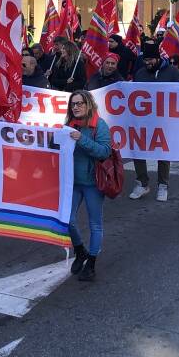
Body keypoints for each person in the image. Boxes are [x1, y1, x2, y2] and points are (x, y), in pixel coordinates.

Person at [129, 43, 179, 201]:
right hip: (143, 120)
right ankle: (142, 183)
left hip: (164, 121)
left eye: (150, 60)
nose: (147, 63)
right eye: (145, 60)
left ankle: (163, 185)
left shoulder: (172, 71)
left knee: (163, 152)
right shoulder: (140, 73)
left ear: (157, 58)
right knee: (138, 150)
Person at [65, 89, 112, 282]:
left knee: (95, 224)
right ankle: (80, 250)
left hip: (93, 183)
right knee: (67, 220)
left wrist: (81, 139)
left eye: (79, 104)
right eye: (73, 104)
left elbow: (104, 152)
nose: (75, 107)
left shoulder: (99, 125)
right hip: (74, 182)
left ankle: (91, 263)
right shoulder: (69, 124)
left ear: (88, 105)